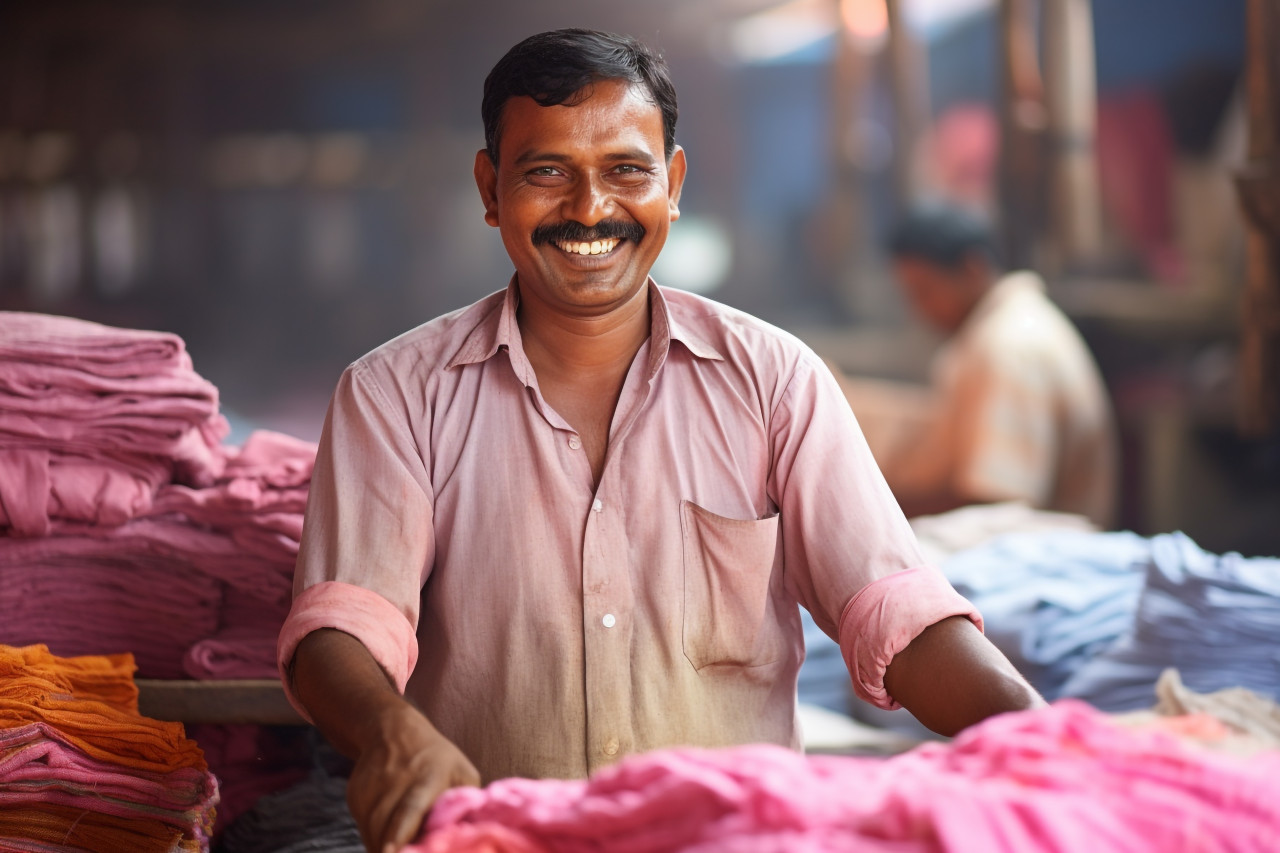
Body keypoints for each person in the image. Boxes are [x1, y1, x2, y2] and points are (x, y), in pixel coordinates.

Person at [278, 29, 1044, 853]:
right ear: (490, 188)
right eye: (546, 172)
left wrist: (1035, 731)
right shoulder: (394, 395)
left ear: (672, 185)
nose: (589, 208)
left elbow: (894, 610)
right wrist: (391, 730)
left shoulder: (774, 380)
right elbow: (342, 626)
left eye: (626, 171)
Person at [866, 201, 1118, 525]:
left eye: (925, 291)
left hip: (1038, 555)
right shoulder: (1006, 327)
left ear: (973, 268)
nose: (919, 309)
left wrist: (874, 511)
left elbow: (996, 504)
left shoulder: (1008, 347)